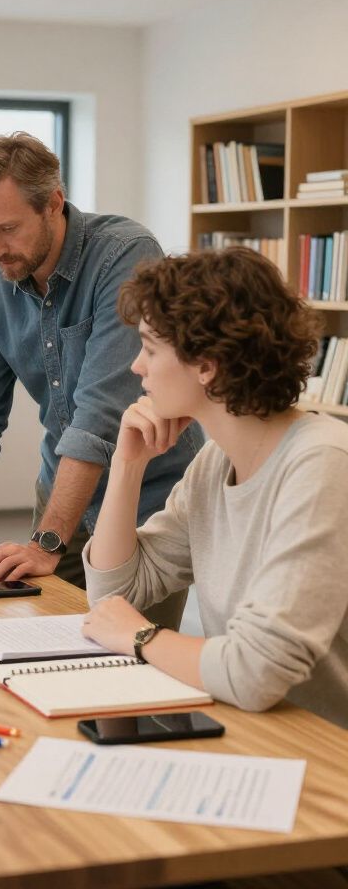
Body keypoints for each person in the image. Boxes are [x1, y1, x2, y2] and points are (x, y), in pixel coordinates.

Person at [0, 133, 201, 627]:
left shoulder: (125, 254)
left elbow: (99, 416)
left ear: (53, 204)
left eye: (7, 228)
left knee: (132, 667)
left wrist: (46, 541)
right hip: (61, 489)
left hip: (147, 500)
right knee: (34, 640)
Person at [82, 247, 348, 729]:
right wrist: (127, 465)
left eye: (150, 348)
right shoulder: (214, 461)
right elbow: (114, 594)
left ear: (206, 365)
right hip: (256, 733)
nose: (136, 368)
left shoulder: (322, 465)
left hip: (326, 754)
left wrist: (140, 638)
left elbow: (256, 672)